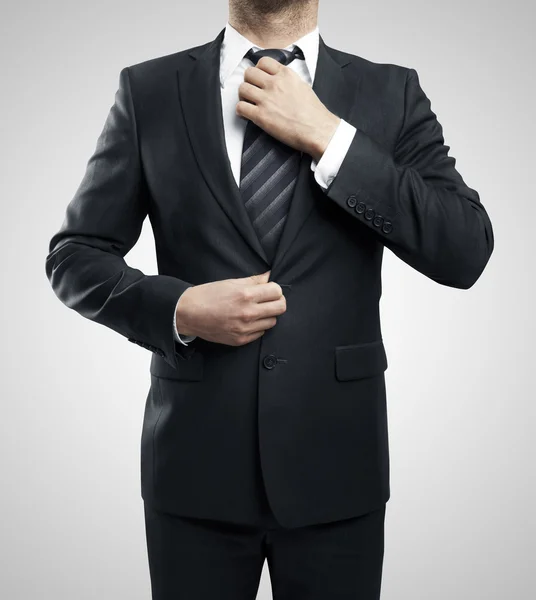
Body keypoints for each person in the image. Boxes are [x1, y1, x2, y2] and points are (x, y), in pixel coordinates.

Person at [45, 0, 495, 598]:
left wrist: (329, 138)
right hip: (193, 472)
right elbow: (75, 254)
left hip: (338, 470)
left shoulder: (391, 92)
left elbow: (464, 249)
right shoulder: (149, 89)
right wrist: (179, 310)